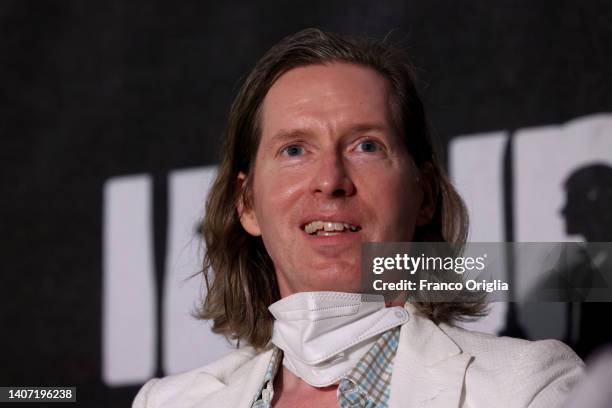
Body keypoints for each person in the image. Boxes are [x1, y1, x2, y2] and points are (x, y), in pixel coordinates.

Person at [133, 28, 584, 408]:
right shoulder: (167, 402)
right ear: (246, 204)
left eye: (366, 146)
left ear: (423, 195)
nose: (330, 180)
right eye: (294, 150)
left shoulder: (526, 388)